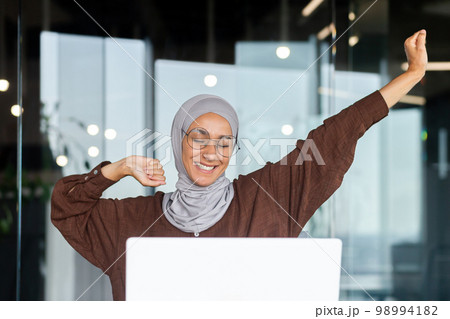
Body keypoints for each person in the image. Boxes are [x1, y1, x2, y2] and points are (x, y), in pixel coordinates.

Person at [51, 30, 428, 301]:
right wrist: (114, 171)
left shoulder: (268, 199)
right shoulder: (130, 221)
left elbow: (337, 134)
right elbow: (67, 209)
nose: (210, 152)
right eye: (198, 137)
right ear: (178, 141)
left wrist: (410, 76)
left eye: (224, 142)